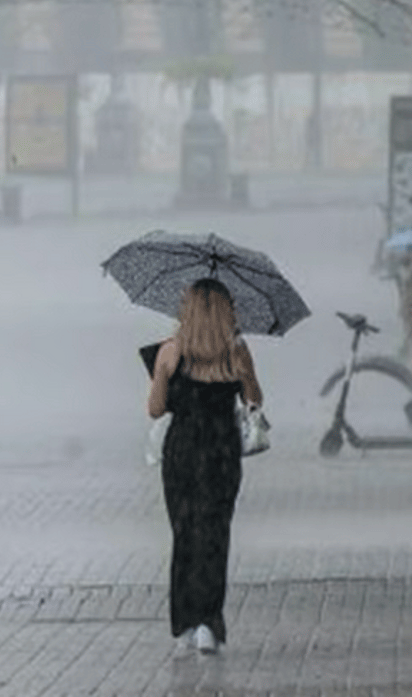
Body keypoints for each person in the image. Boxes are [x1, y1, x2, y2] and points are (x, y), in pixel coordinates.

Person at [146, 278, 263, 655]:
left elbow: (156, 409)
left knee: (185, 535)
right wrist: (244, 372)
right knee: (215, 535)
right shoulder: (237, 353)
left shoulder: (170, 352)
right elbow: (254, 400)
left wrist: (162, 373)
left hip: (181, 451)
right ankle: (209, 623)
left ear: (187, 311)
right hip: (222, 453)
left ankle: (185, 621)